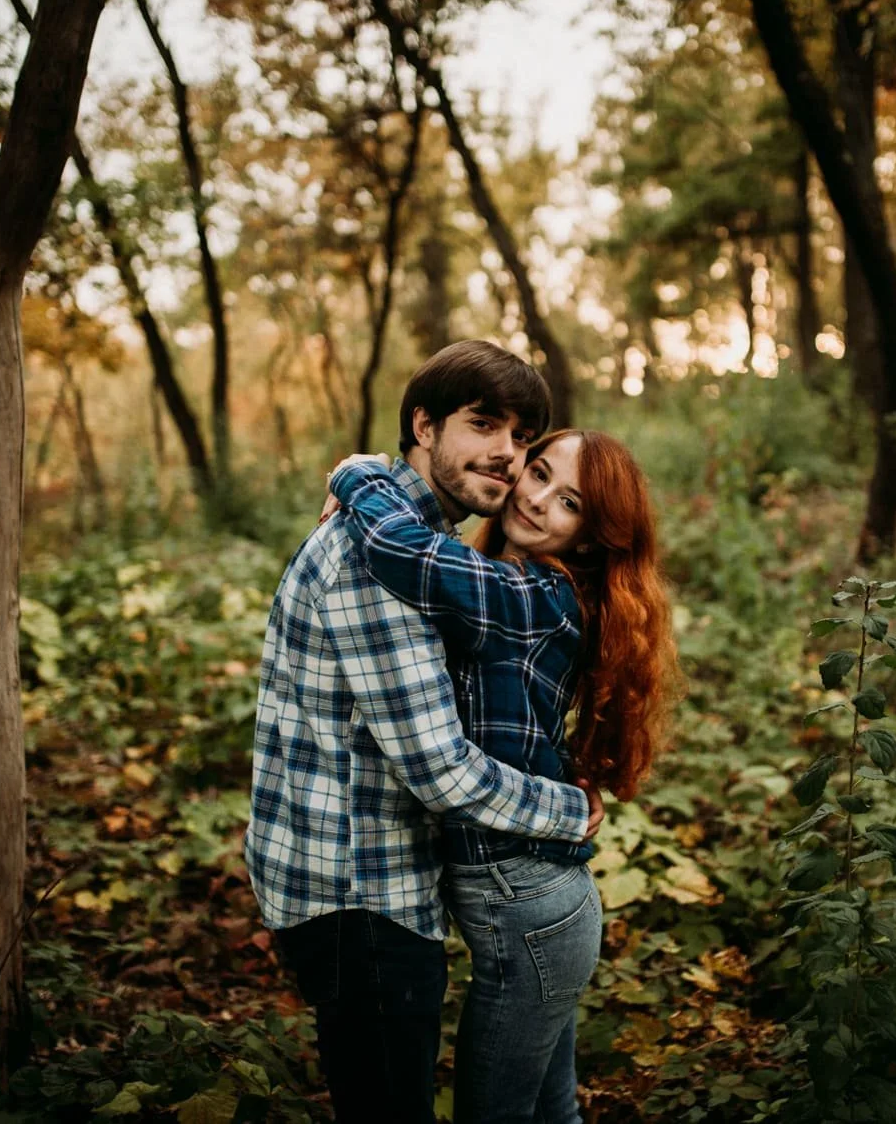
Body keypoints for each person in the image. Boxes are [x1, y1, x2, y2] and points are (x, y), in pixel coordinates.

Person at [244, 341, 605, 1124]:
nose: (507, 455)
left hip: (374, 880)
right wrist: (569, 810)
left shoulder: (423, 548)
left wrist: (355, 473)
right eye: (483, 424)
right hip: (359, 893)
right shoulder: (380, 556)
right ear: (424, 425)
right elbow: (440, 768)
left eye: (520, 437)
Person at [324, 427, 677, 1124]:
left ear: (588, 537)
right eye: (537, 472)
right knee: (553, 1115)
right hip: (542, 907)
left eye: (569, 500)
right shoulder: (510, 588)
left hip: (530, 912)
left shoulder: (531, 596)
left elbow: (404, 551)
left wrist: (356, 474)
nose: (539, 498)